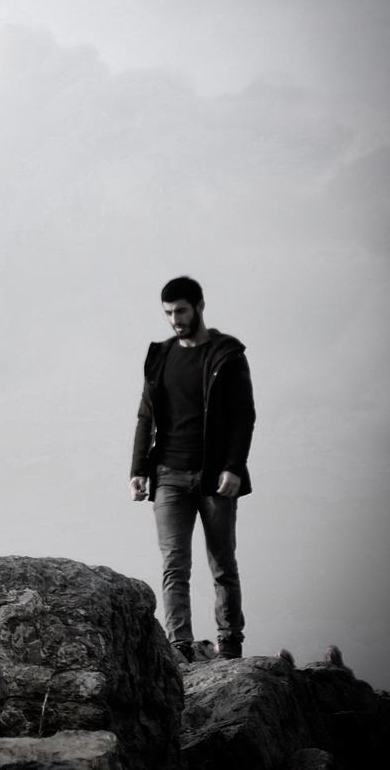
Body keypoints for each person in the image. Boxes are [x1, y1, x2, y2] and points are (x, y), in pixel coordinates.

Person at [129, 276, 256, 662]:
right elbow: (145, 415)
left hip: (215, 476)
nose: (174, 320)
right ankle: (180, 646)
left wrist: (233, 467)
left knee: (222, 563)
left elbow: (243, 416)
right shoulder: (161, 356)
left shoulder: (226, 354)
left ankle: (230, 642)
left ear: (199, 306)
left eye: (180, 311)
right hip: (167, 474)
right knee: (173, 565)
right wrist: (138, 468)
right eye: (168, 313)